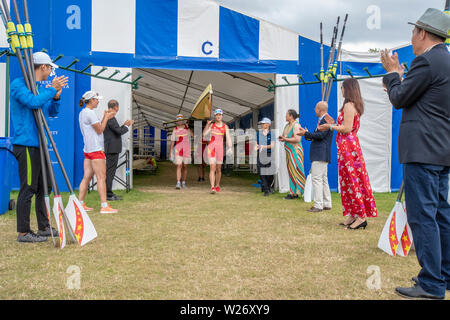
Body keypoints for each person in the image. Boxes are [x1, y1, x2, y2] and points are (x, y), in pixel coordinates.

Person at [380, 8, 450, 300]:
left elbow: (399, 98)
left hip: (421, 150)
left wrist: (392, 75)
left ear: (422, 33)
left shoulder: (426, 61)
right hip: (442, 150)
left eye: (412, 32)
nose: (410, 39)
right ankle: (444, 275)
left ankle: (431, 283)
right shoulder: (445, 61)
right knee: (442, 214)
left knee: (423, 217)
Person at [11, 52, 68, 243]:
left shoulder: (38, 88)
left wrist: (56, 97)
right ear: (43, 67)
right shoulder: (19, 85)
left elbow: (50, 112)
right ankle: (23, 232)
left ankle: (44, 227)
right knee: (28, 187)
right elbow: (33, 102)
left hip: (40, 144)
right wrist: (52, 90)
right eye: (50, 68)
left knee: (45, 186)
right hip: (26, 144)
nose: (51, 71)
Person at [318, 78, 378, 229]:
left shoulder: (349, 106)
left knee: (352, 179)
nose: (341, 90)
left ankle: (361, 217)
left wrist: (331, 126)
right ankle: (353, 213)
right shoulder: (351, 105)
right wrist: (333, 122)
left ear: (348, 89)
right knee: (348, 180)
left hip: (348, 147)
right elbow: (345, 125)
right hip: (347, 147)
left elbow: (347, 128)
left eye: (343, 88)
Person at [77, 91, 118, 214]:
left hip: (88, 149)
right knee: (101, 177)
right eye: (96, 99)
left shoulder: (83, 112)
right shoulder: (90, 113)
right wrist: (106, 117)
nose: (98, 101)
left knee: (87, 177)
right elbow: (100, 130)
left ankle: (80, 203)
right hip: (95, 149)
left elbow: (95, 128)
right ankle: (104, 206)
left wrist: (104, 117)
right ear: (91, 100)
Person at [298, 101, 334, 212]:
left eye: (315, 108)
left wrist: (306, 134)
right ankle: (327, 203)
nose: (314, 110)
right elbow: (318, 136)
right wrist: (308, 134)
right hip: (322, 153)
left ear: (320, 109)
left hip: (320, 154)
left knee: (317, 179)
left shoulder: (327, 120)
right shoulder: (325, 120)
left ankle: (318, 205)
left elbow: (320, 135)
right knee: (323, 179)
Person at [103, 99, 134, 201]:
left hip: (110, 148)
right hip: (112, 149)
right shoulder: (111, 117)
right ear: (116, 107)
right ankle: (108, 194)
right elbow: (118, 132)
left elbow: (115, 130)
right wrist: (126, 125)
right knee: (110, 172)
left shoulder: (108, 116)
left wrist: (123, 125)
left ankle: (108, 193)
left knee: (109, 172)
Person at [203, 109, 233, 194]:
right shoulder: (212, 125)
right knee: (212, 167)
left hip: (220, 149)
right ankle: (212, 187)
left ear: (222, 116)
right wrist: (207, 125)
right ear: (215, 116)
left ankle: (217, 185)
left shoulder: (225, 126)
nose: (218, 116)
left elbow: (228, 138)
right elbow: (204, 134)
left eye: (220, 115)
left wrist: (230, 147)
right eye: (217, 115)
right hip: (211, 148)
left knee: (218, 168)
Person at [278, 109, 306, 200]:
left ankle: (296, 192)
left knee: (297, 170)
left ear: (291, 116)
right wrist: (282, 138)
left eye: (286, 115)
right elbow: (286, 136)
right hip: (289, 151)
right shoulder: (287, 125)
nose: (285, 117)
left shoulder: (296, 125)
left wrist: (285, 139)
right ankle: (294, 192)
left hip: (295, 151)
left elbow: (297, 139)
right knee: (291, 171)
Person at [169, 114, 192, 189]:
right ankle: (178, 182)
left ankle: (184, 182)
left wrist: (188, 128)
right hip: (178, 148)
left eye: (181, 120)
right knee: (179, 165)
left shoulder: (187, 128)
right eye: (178, 120)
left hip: (186, 148)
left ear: (183, 120)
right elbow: (172, 141)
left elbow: (192, 135)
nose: (180, 121)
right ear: (176, 121)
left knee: (185, 166)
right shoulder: (175, 129)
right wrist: (170, 152)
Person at [255, 117, 275, 196]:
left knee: (269, 173)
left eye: (263, 123)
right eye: (261, 124)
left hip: (269, 154)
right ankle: (266, 189)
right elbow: (256, 143)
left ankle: (269, 187)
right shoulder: (258, 133)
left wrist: (263, 146)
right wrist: (256, 146)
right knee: (261, 172)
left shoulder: (272, 134)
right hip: (260, 154)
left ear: (268, 124)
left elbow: (272, 145)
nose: (262, 125)